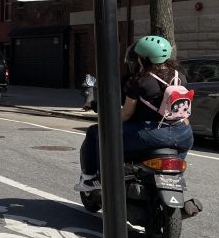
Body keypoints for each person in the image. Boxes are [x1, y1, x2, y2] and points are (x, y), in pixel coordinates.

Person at [74, 35, 194, 192]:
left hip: (151, 134)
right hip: (183, 134)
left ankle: (91, 179)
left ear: (143, 58)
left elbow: (126, 115)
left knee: (95, 133)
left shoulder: (139, 81)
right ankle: (174, 177)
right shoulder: (181, 78)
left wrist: (109, 120)